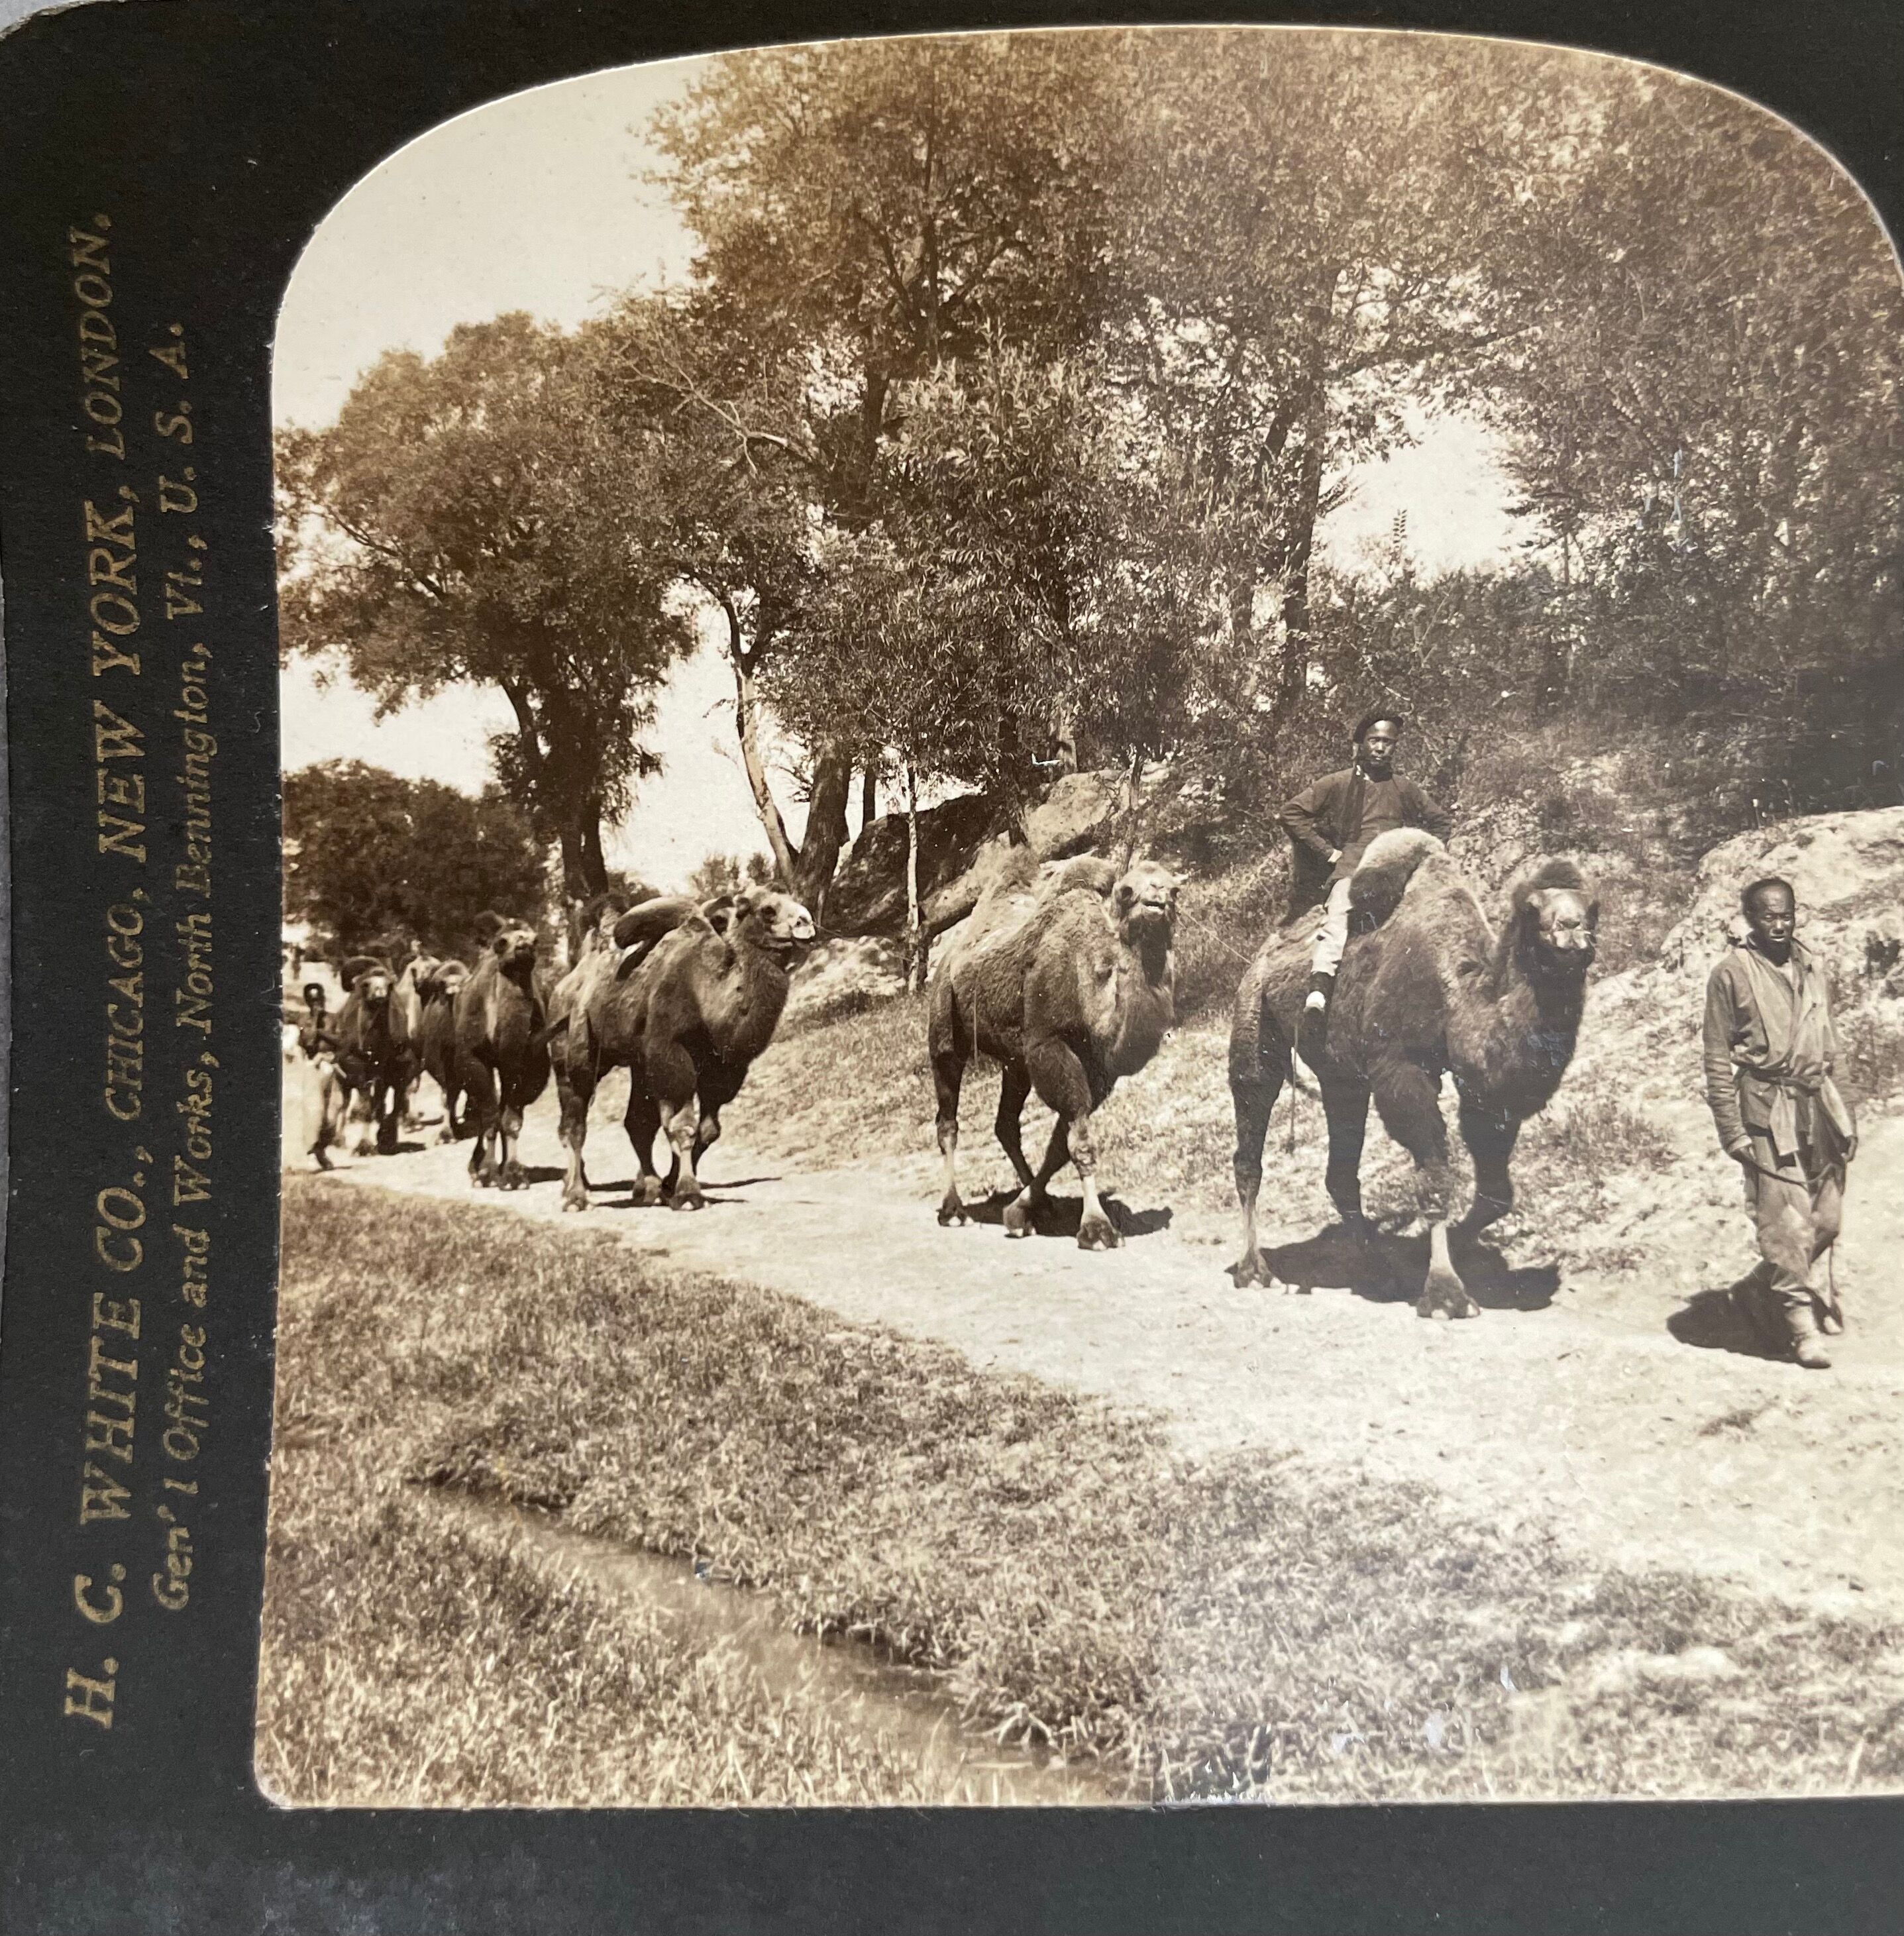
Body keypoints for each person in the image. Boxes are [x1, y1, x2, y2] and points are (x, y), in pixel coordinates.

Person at [1703, 875, 1858, 1370]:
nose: (1779, 924)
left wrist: (1847, 1112)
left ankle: (1754, 1290)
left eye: (1786, 914)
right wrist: (1732, 1130)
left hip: (1819, 1106)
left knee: (1827, 1221)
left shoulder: (1812, 967)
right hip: (1768, 1112)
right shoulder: (1731, 974)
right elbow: (1715, 1057)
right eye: (1767, 915)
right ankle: (1800, 1329)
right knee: (1788, 1225)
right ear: (1750, 920)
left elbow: (1831, 1043)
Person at [1279, 711, 1453, 1053]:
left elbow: (1440, 820)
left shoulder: (1404, 788)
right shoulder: (1339, 783)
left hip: (1396, 869)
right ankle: (1318, 991)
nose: (1381, 749)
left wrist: (1424, 852)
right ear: (1361, 744)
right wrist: (1329, 853)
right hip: (1353, 867)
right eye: (1375, 741)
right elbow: (1291, 813)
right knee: (1339, 916)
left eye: (1389, 743)